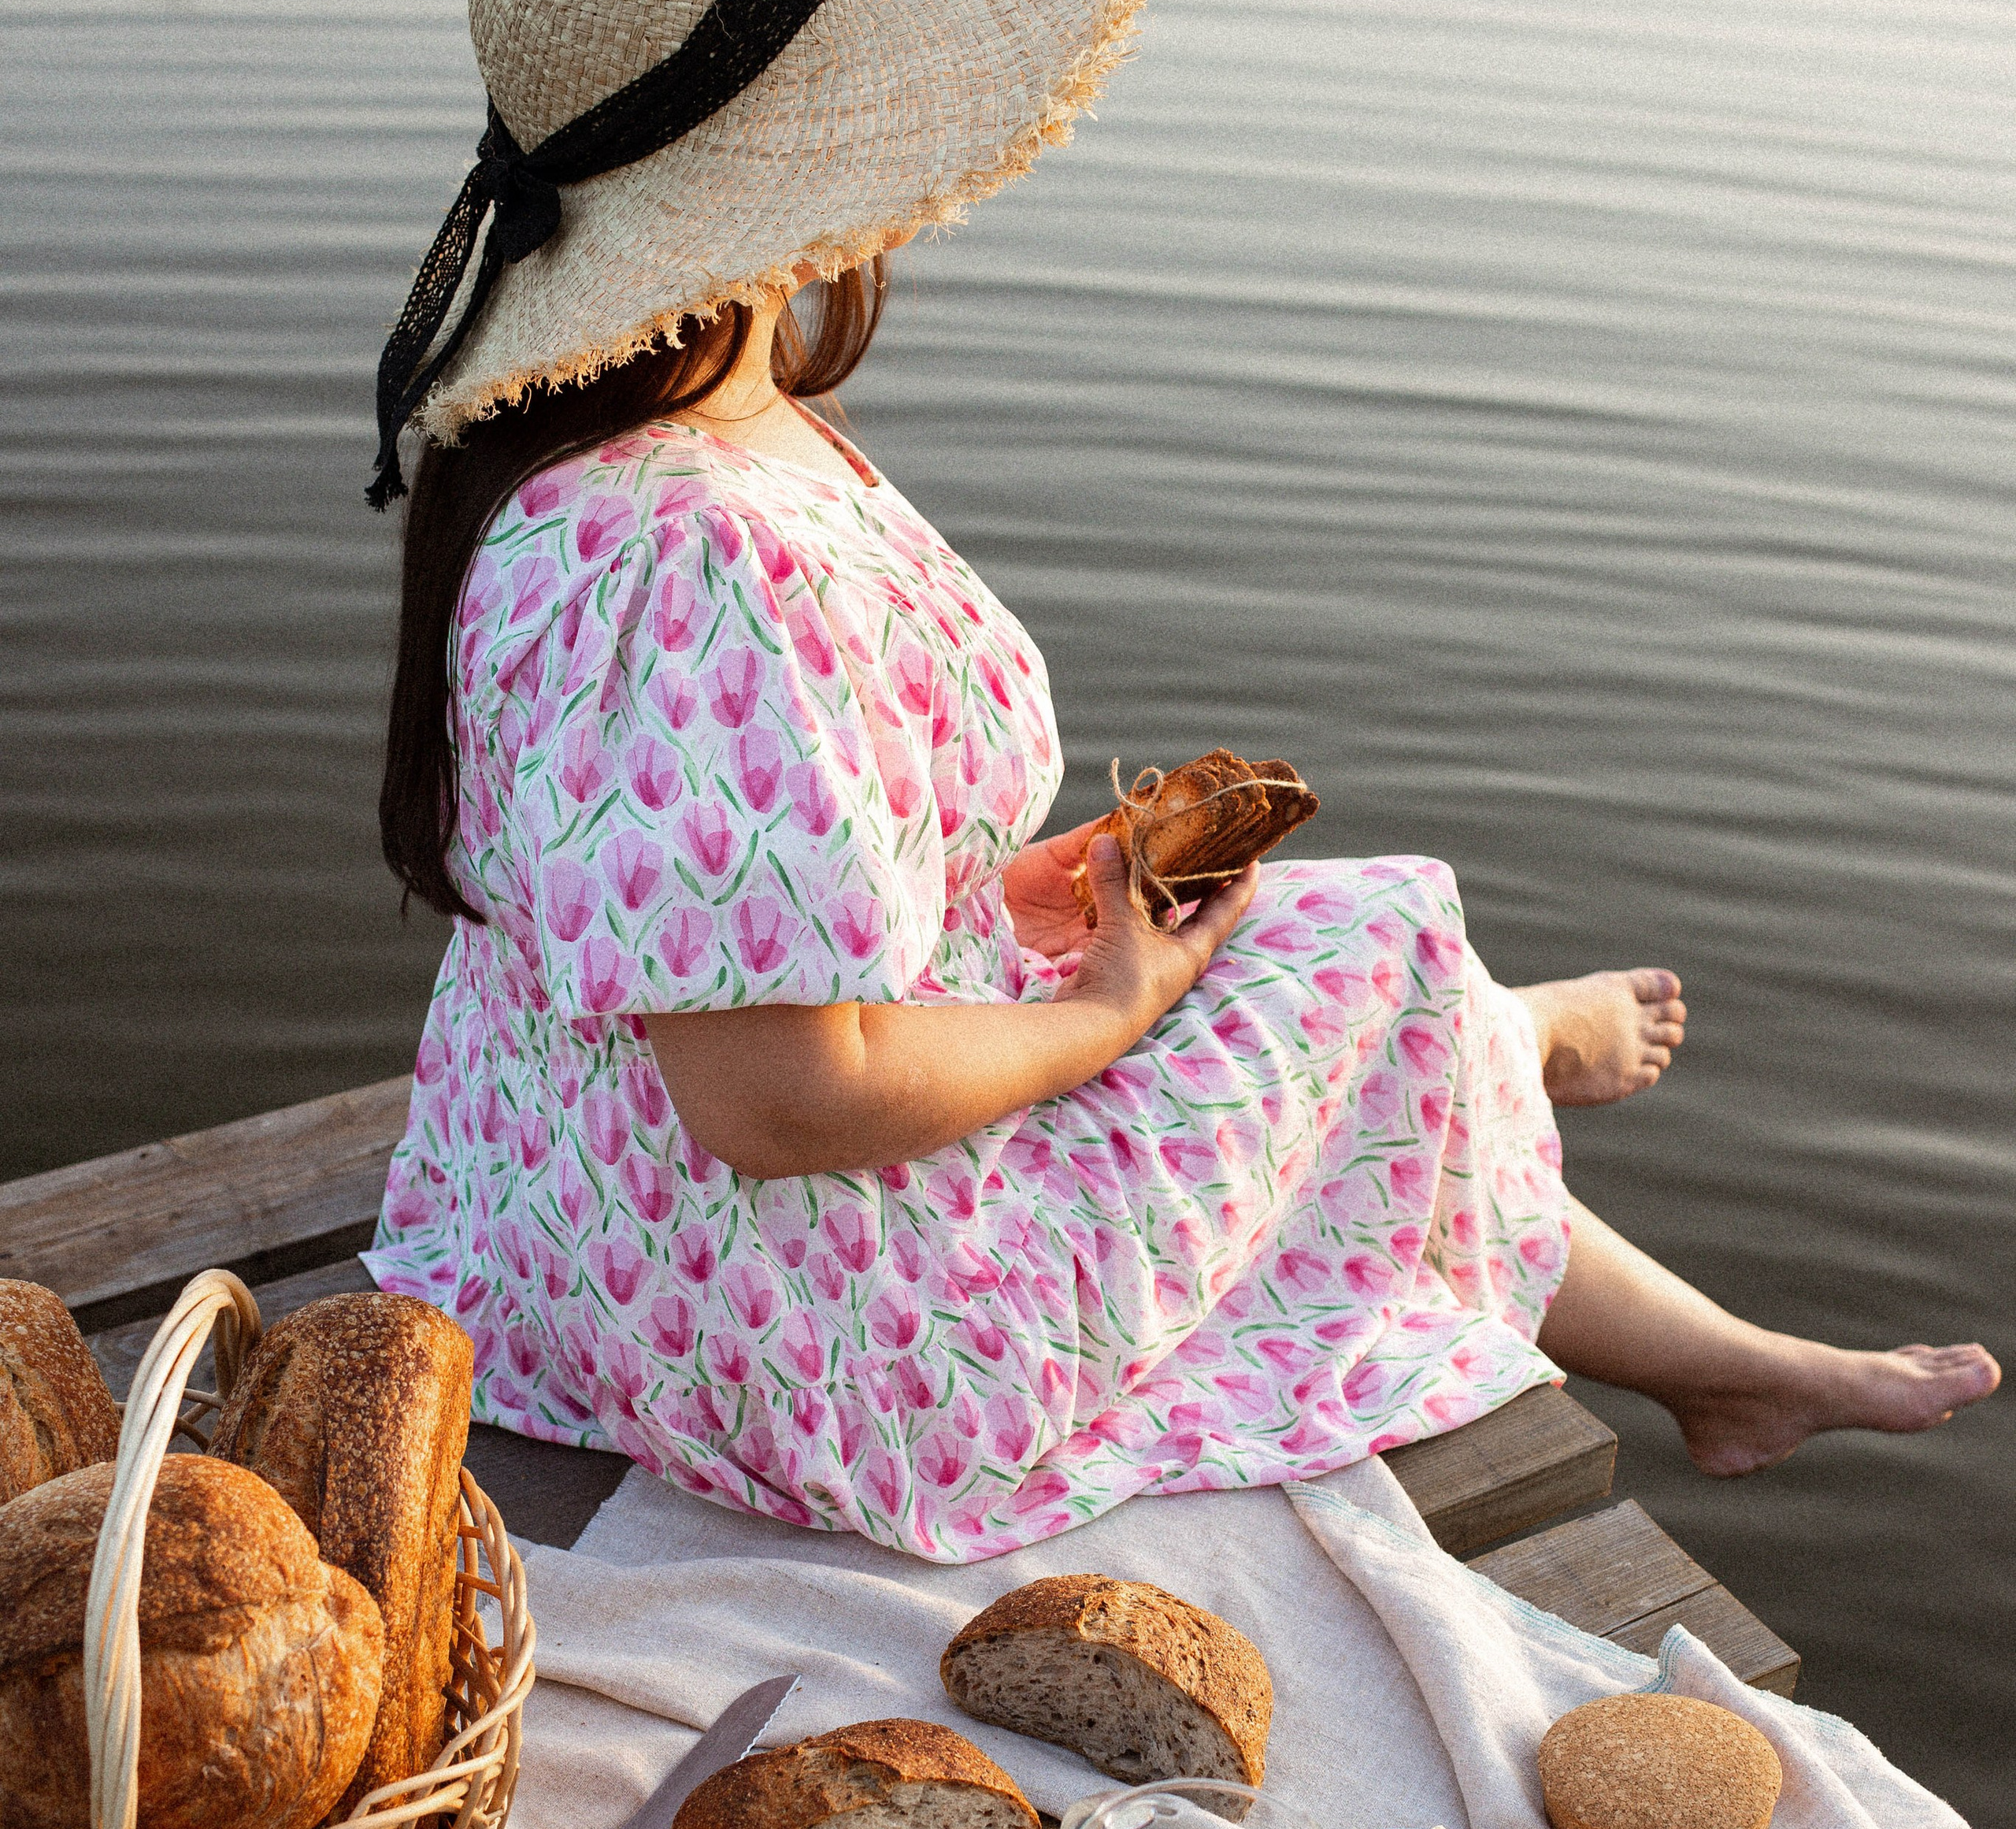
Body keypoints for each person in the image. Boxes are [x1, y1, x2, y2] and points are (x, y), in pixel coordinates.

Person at [361, 0, 1997, 1560]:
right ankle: (1547, 1087)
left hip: (570, 1214)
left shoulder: (572, 447)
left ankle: (1667, 1284)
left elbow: (689, 883)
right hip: (820, 1341)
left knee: (1310, 933)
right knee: (1380, 950)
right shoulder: (705, 547)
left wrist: (992, 884)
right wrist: (1107, 1010)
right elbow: (779, 1100)